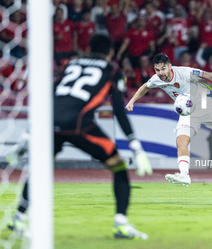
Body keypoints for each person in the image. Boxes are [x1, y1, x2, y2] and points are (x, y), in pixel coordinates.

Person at [7, 33, 152, 239]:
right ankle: (121, 224)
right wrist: (135, 145)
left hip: (50, 124)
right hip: (80, 126)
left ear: (88, 49)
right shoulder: (112, 70)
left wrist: (30, 131)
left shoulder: (71, 65)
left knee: (40, 171)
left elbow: (50, 94)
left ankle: (18, 219)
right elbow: (119, 110)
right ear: (110, 52)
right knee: (119, 167)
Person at [125, 53, 212, 186]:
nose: (161, 73)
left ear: (169, 66)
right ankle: (184, 175)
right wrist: (132, 101)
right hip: (187, 113)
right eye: (157, 70)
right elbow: (145, 86)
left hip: (205, 107)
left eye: (163, 69)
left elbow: (209, 76)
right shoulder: (156, 79)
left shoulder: (184, 72)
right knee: (181, 141)